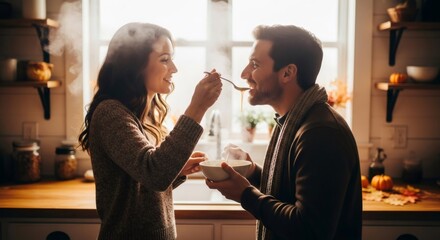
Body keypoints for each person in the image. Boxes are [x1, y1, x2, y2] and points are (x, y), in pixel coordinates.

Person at [205, 24, 362, 240]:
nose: (244, 74)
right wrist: (252, 172)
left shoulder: (321, 134)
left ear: (287, 73)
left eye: (255, 64)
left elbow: (308, 229)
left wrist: (245, 194)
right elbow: (290, 194)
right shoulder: (294, 121)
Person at [78, 22, 222, 239]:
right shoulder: (111, 113)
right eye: (165, 59)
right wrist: (197, 107)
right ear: (134, 65)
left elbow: (146, 184)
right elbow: (154, 174)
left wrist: (178, 170)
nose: (174, 68)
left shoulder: (147, 113)